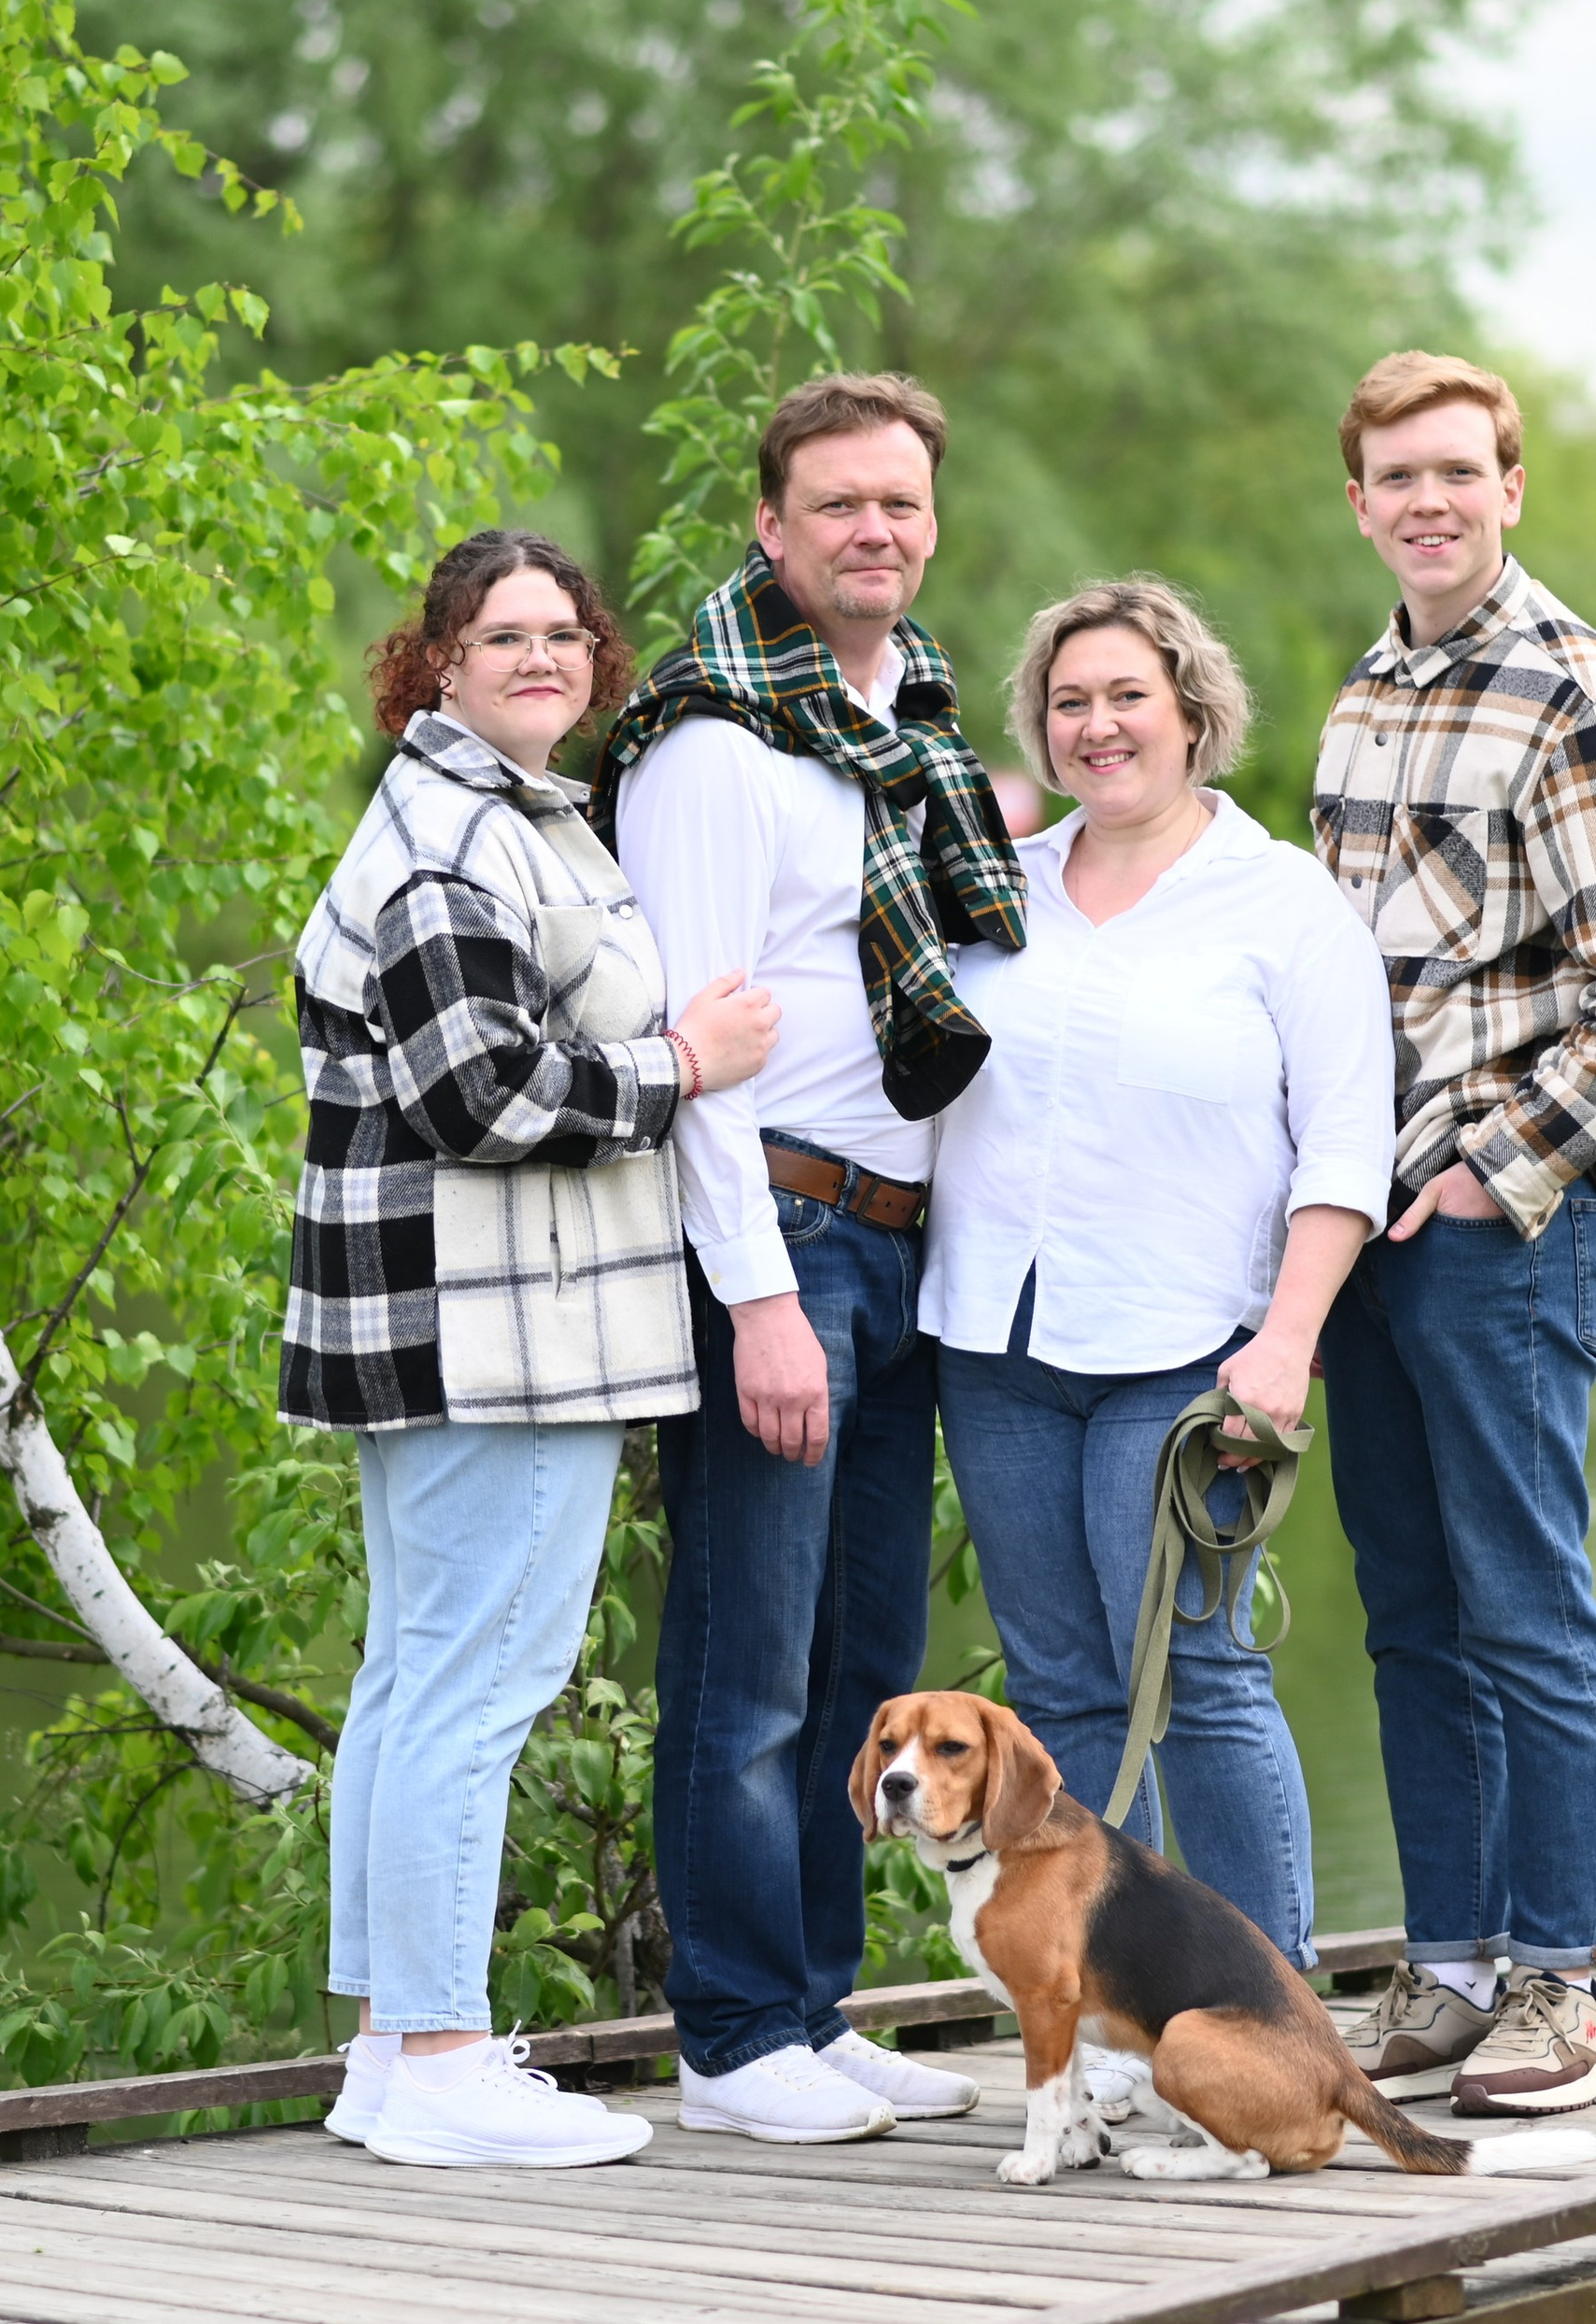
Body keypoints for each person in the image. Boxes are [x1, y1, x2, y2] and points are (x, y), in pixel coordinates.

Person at [281, 528, 779, 2168]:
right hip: (485, 1336)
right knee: (474, 1687)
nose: (542, 656)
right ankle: (437, 2056)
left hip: (494, 1328)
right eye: (503, 636)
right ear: (437, 663)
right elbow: (480, 1094)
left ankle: (386, 2051)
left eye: (565, 632)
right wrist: (682, 1067)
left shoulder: (509, 821)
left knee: (418, 1679)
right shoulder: (449, 848)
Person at [593, 373, 1026, 2143]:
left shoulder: (907, 730)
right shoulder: (714, 746)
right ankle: (729, 2037)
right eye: (838, 504)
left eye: (902, 506)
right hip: (777, 1235)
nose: (876, 532)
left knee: (865, 1674)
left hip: (902, 1247)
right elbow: (691, 1044)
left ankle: (814, 2004)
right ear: (772, 528)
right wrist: (758, 1301)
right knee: (746, 1665)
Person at [1313, 352, 1596, 2119]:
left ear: (1512, 485)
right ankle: (1455, 1966)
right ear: (1360, 502)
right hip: (1371, 1222)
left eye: (1458, 472)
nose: (1429, 500)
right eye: (1396, 476)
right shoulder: (1364, 701)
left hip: (1505, 1219)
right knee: (1409, 1610)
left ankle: (1569, 1985)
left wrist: (1496, 1167)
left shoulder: (1580, 689)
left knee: (1525, 1602)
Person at [925, 579, 1394, 2054]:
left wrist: (1288, 1343)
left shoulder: (1281, 903)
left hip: (1189, 1356)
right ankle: (1112, 2027)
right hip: (996, 1342)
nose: (1098, 724)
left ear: (1194, 708)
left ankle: (1272, 2021)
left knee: (1198, 1677)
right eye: (1070, 702)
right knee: (1054, 1696)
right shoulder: (1001, 886)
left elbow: (1344, 1143)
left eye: (1128, 695)